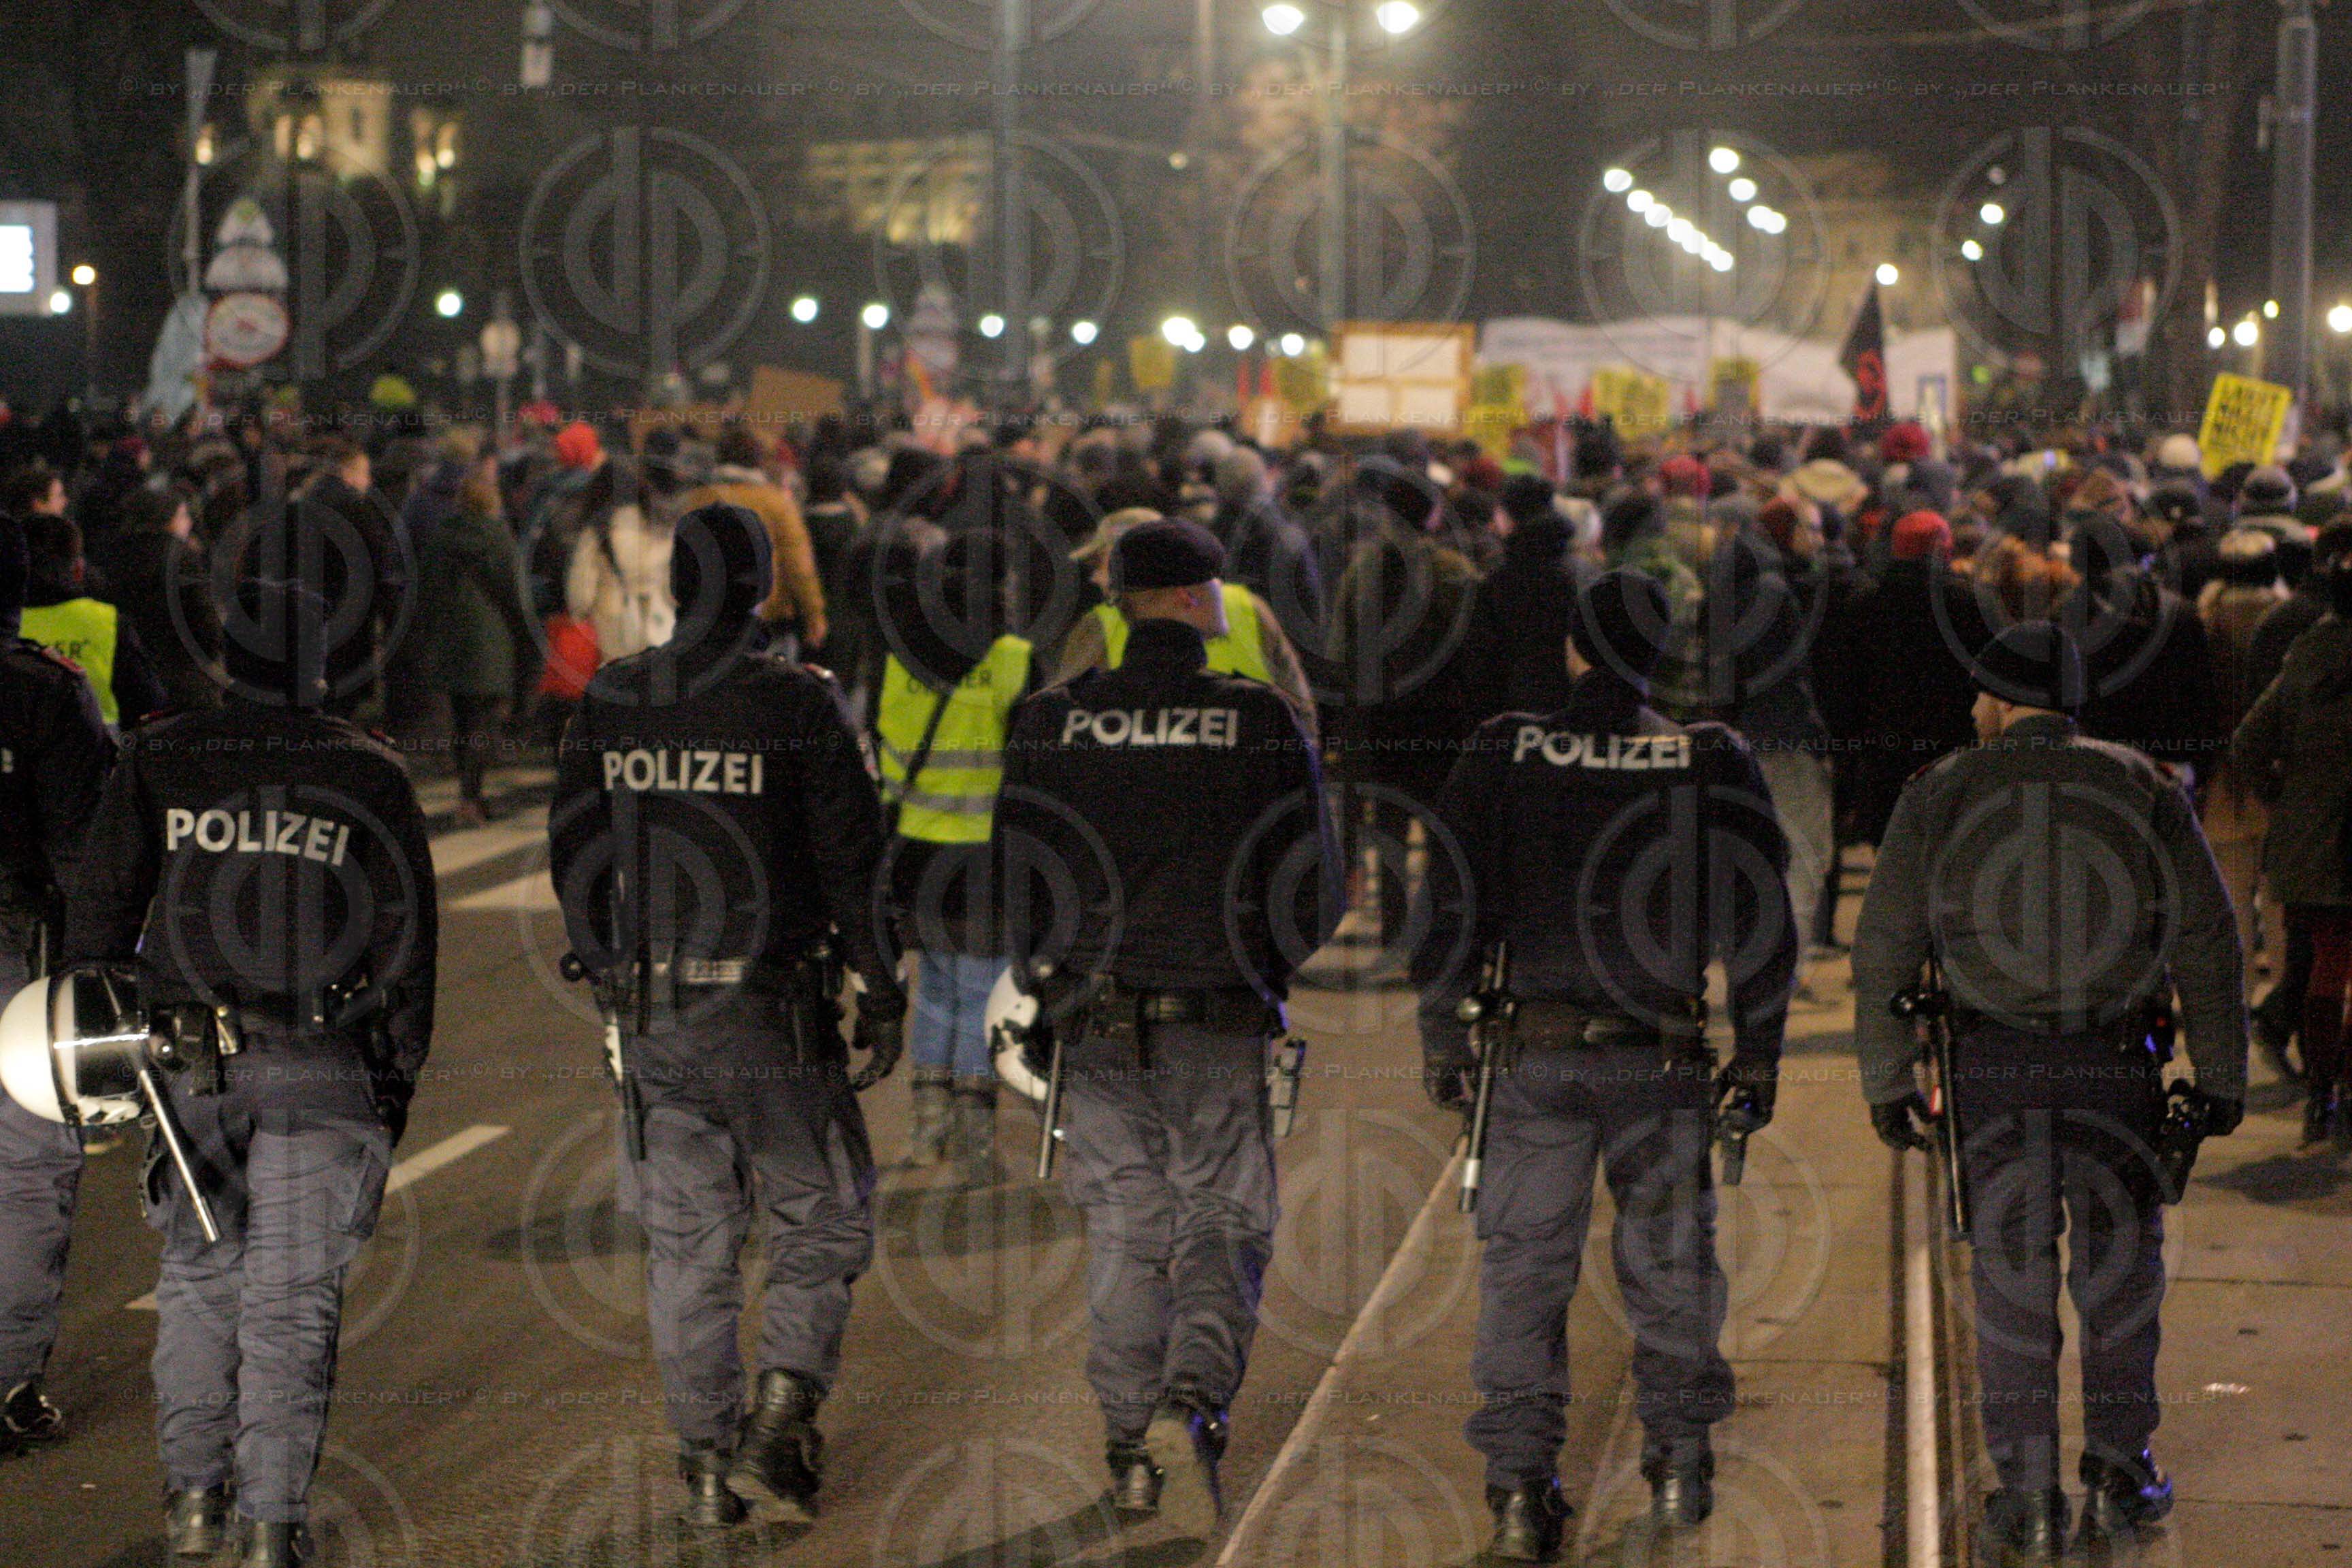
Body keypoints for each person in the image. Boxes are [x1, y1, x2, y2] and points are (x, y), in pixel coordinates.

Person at [63, 553, 439, 1567]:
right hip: (325, 1064)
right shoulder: (366, 771)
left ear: (226, 658)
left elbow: (97, 923)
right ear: (320, 666)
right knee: (290, 1300)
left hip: (193, 1072)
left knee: (196, 1277)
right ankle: (273, 1527)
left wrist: (113, 1054)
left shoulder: (163, 756)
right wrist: (393, 1084)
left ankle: (193, 1501)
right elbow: (407, 950)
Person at [1411, 569, 1795, 1561]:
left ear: (1574, 650)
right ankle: (1676, 1464)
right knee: (1670, 1265)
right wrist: (1758, 1057)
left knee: (1523, 1274)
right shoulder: (1708, 757)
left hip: (1531, 1055)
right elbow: (1761, 922)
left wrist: (1442, 1037)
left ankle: (1517, 1491)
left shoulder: (1506, 747)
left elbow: (1446, 900)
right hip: (1659, 1059)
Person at [1852, 621, 2247, 1561]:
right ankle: (2118, 1469)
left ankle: (2026, 1498)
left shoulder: (1941, 790)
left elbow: (1884, 946)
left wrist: (1885, 1076)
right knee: (2119, 1277)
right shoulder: (2145, 785)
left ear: (1995, 703)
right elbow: (2209, 938)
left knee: (2010, 1285)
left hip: (1992, 1074)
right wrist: (2222, 1076)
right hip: (2116, 1073)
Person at [548, 502, 907, 1531]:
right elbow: (852, 860)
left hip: (656, 1016)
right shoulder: (795, 704)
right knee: (822, 1208)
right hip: (770, 1014)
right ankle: (782, 1410)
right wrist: (881, 989)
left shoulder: (617, 694)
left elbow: (575, 843)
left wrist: (608, 962)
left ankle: (705, 1462)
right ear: (761, 590)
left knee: (689, 1245)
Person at [992, 519, 1336, 1537]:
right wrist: (1265, 970)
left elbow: (1020, 874)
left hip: (1095, 1019)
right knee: (1225, 1218)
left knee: (1129, 1227)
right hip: (1216, 1014)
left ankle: (1129, 1442)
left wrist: (1045, 987)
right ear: (1192, 599)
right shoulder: (1259, 720)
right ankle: (1192, 1405)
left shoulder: (1052, 720)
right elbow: (1309, 880)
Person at [0, 514, 113, 1456]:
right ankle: (5, 1381)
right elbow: (90, 855)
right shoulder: (45, 693)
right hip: (16, 959)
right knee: (29, 1168)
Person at [873, 532, 1036, 1183]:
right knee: (980, 990)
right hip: (986, 858)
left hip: (913, 856)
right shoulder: (1014, 660)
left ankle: (924, 1132)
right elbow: (1032, 768)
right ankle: (972, 1142)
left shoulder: (896, 657)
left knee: (937, 987)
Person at [2232, 554, 2352, 1143]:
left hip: (2314, 841)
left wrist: (2285, 797)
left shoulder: (2307, 657)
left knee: (2325, 965)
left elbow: (2249, 739)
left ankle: (2321, 1093)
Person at [1054, 507, 1319, 734]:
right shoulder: (1249, 607)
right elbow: (1301, 705)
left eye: (1102, 564)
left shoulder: (1099, 624)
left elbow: (1063, 716)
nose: (1096, 577)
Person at [418, 456, 537, 826]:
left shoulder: (439, 537)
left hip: (451, 641)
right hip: (490, 643)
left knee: (463, 719)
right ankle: (472, 798)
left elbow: (426, 592)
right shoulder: (498, 538)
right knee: (486, 721)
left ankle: (468, 796)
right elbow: (514, 593)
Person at [681, 423, 828, 653]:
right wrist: (814, 615)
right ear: (758, 460)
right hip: (768, 621)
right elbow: (798, 565)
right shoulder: (777, 503)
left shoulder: (696, 501)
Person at [17, 508, 169, 728]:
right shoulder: (108, 622)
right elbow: (147, 701)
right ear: (78, 569)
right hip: (99, 751)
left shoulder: (8, 623)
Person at [91, 487, 222, 714]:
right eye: (183, 516)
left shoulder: (112, 555)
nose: (188, 523)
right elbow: (204, 621)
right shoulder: (181, 558)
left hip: (127, 677)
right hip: (182, 678)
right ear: (166, 520)